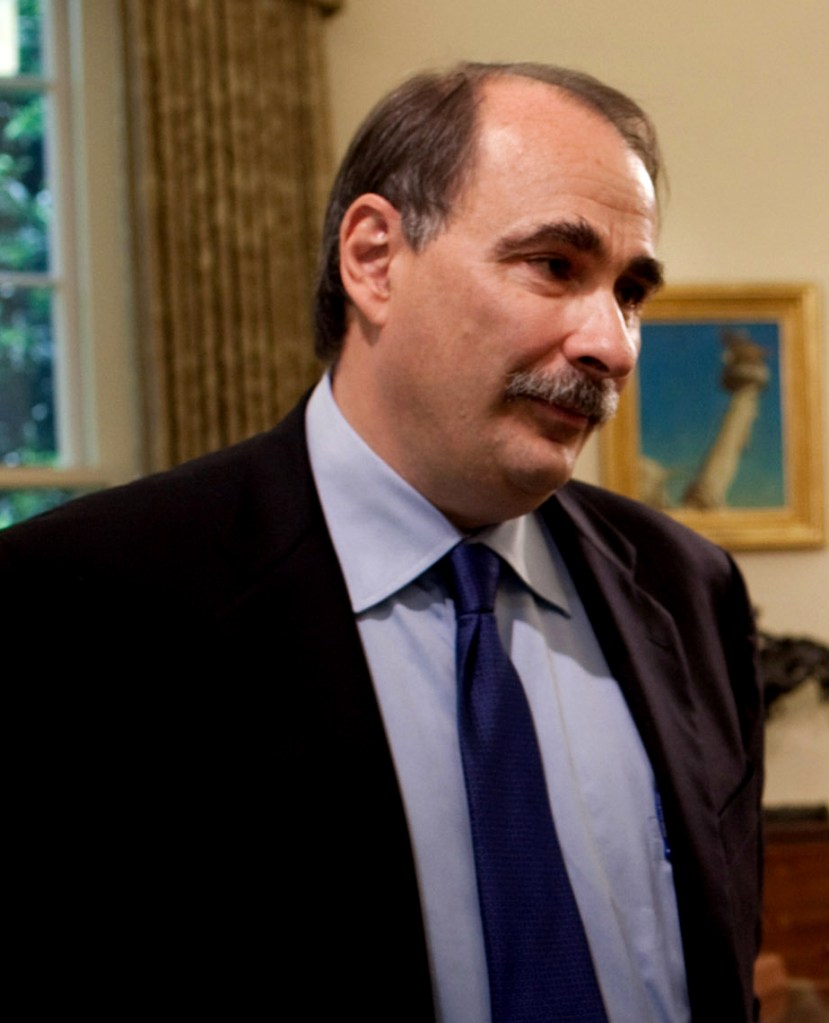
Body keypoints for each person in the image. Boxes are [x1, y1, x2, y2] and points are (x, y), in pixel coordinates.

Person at [3, 63, 762, 1021]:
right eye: (554, 266)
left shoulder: (687, 587)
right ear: (373, 259)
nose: (610, 345)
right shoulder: (79, 601)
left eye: (630, 290)